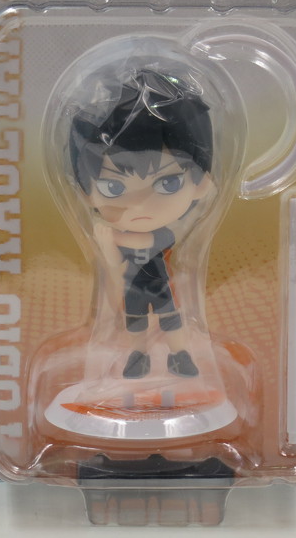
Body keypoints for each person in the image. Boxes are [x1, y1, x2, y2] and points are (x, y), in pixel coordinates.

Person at [69, 65, 214, 378]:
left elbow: (145, 241)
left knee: (171, 320)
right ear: (87, 194)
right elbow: (112, 264)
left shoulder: (162, 235)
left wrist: (112, 237)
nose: (139, 204)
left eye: (168, 183)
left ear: (201, 185)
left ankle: (179, 356)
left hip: (161, 285)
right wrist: (106, 245)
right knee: (134, 324)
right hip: (132, 286)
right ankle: (138, 356)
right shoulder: (113, 231)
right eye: (114, 187)